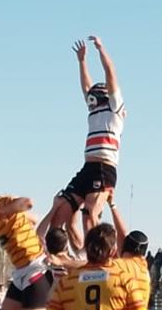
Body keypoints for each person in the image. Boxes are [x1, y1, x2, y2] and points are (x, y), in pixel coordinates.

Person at [44, 36, 125, 238]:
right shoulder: (94, 110)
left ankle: (98, 258)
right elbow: (86, 87)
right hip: (87, 168)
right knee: (61, 214)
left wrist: (100, 49)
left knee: (89, 215)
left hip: (104, 169)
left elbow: (110, 73)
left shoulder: (115, 108)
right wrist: (82, 62)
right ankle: (71, 256)